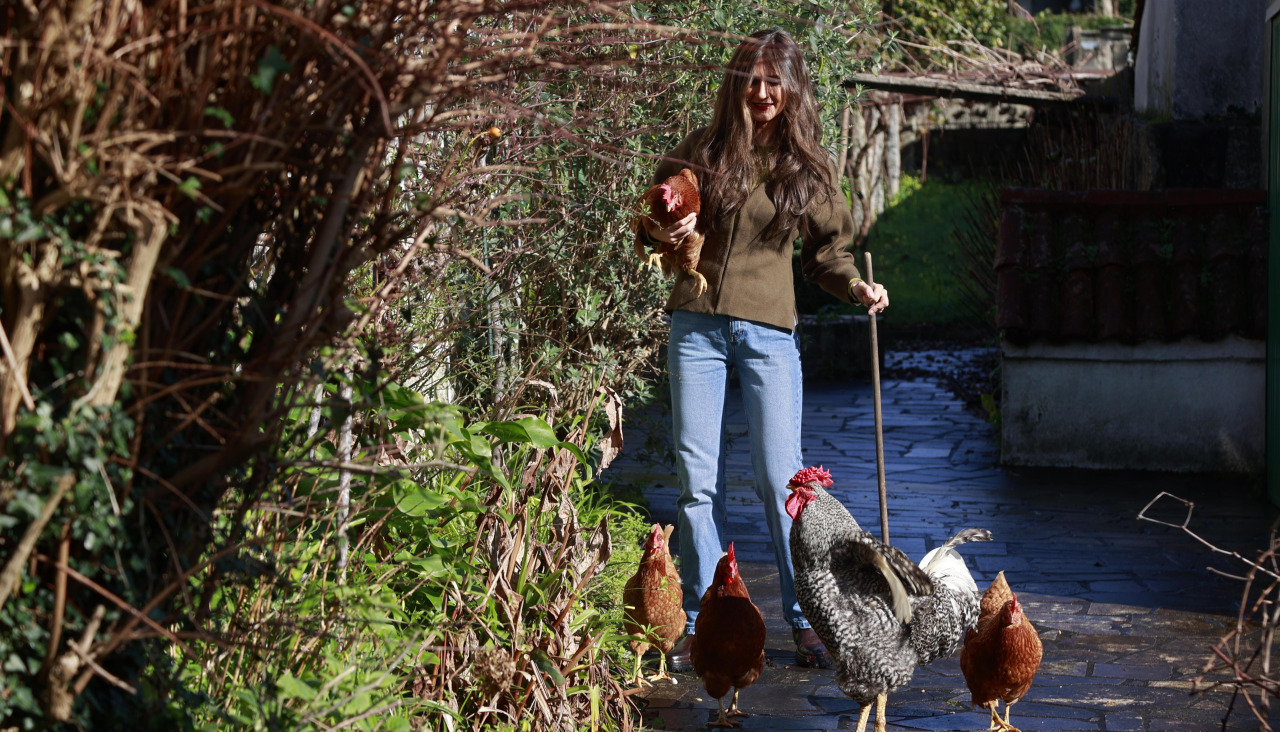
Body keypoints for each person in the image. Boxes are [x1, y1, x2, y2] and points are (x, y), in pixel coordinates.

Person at [638, 28, 889, 670]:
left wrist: (856, 285)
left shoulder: (807, 167)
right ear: (734, 84)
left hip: (769, 334)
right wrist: (670, 226)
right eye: (750, 79)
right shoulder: (703, 150)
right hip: (696, 327)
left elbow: (826, 255)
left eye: (774, 80)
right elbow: (652, 220)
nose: (761, 92)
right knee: (698, 483)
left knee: (782, 481)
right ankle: (700, 620)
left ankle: (804, 617)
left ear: (792, 86)